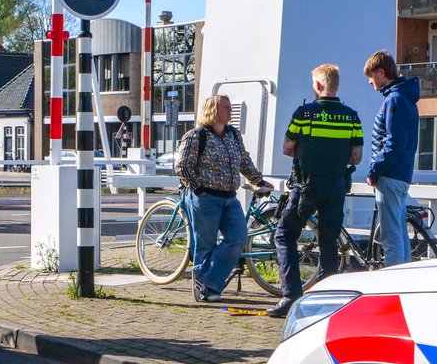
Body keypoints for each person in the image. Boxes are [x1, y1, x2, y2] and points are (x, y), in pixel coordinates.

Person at [267, 63, 363, 319]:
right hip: (336, 185)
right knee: (328, 241)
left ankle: (291, 296)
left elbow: (288, 148)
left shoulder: (304, 113)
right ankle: (328, 298)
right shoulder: (351, 116)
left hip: (306, 186)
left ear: (318, 86)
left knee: (285, 235)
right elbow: (356, 157)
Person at [175, 94, 272, 303]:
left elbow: (243, 161)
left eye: (229, 107)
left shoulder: (233, 135)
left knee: (238, 239)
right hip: (206, 198)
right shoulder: (197, 135)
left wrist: (258, 180)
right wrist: (198, 188)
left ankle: (206, 280)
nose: (230, 110)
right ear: (213, 110)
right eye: (225, 107)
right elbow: (182, 166)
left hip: (229, 197)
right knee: (205, 245)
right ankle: (207, 290)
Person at [363, 51, 420, 267]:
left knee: (391, 236)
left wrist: (375, 171)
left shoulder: (394, 100)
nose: (370, 82)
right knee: (399, 233)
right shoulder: (404, 98)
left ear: (381, 72)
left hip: (390, 175)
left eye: (371, 76)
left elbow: (393, 142)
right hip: (401, 174)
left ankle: (394, 285)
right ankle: (404, 278)